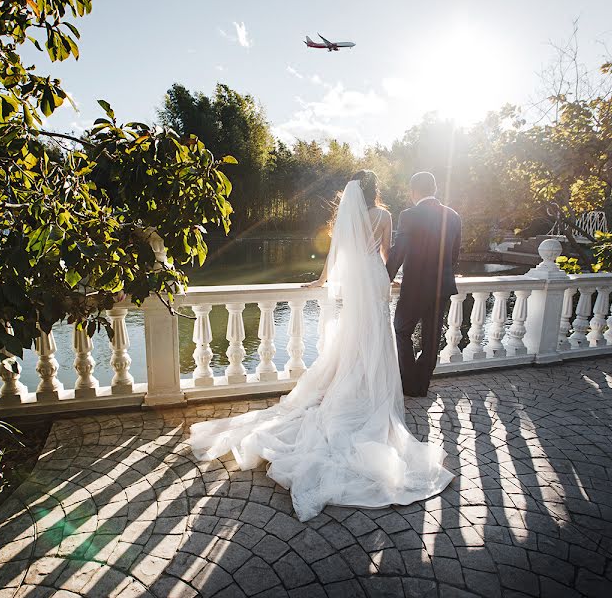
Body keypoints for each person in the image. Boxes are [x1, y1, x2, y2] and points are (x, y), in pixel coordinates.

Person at [188, 170, 453, 522]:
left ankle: (354, 384)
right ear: (375, 191)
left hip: (359, 281)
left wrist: (321, 280)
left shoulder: (351, 217)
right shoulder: (386, 216)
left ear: (354, 193)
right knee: (376, 334)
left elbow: (335, 254)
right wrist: (388, 274)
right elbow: (388, 253)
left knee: (355, 334)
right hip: (375, 278)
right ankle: (374, 389)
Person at [386, 172, 462, 397]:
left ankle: (409, 383)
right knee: (432, 338)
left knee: (401, 330)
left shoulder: (409, 215)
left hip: (415, 286)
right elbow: (455, 254)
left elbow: (398, 252)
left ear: (413, 191)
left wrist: (384, 278)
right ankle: (421, 384)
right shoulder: (453, 216)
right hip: (443, 286)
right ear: (435, 189)